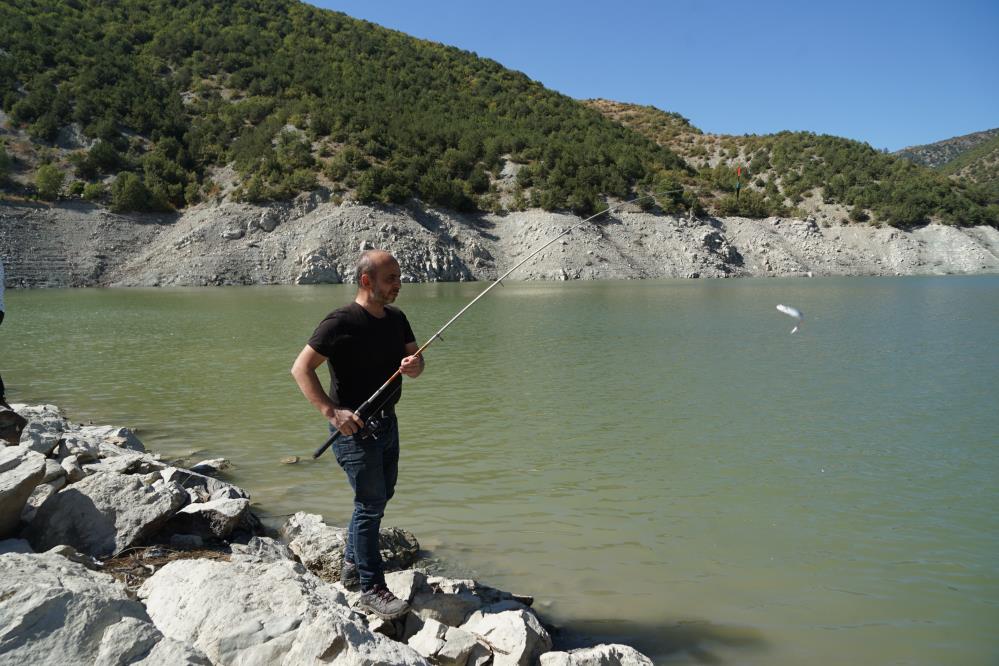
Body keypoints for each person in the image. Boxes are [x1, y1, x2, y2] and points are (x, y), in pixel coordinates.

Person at [291, 249, 425, 621]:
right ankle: (371, 588)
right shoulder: (339, 322)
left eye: (398, 278)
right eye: (391, 279)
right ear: (367, 281)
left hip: (388, 423)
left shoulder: (397, 319)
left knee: (381, 497)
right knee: (369, 505)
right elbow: (300, 369)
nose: (398, 285)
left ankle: (351, 562)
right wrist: (331, 412)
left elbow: (416, 365)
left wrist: (413, 366)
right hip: (353, 430)